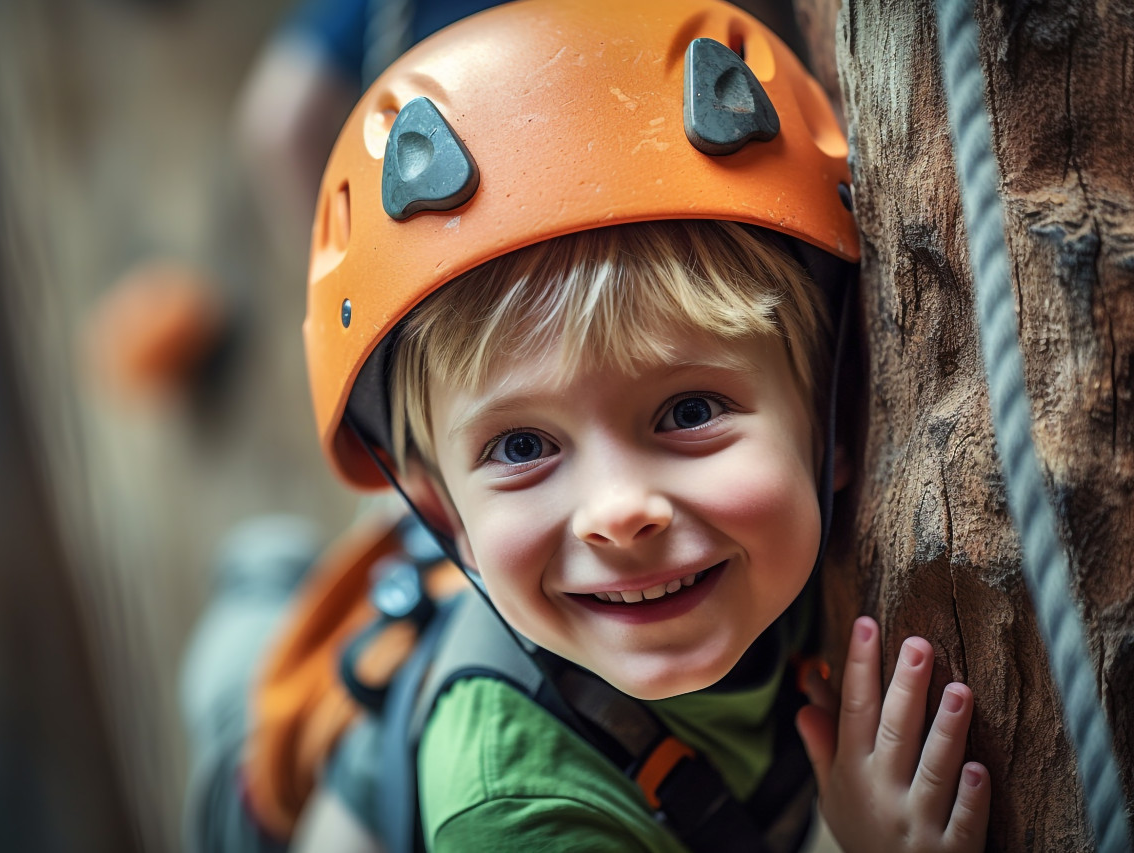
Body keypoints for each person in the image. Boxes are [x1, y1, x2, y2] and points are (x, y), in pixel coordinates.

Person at [243, 1, 994, 851]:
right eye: (522, 447)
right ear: (444, 513)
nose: (618, 509)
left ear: (836, 419)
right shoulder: (512, 806)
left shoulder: (771, 576)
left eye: (688, 412)